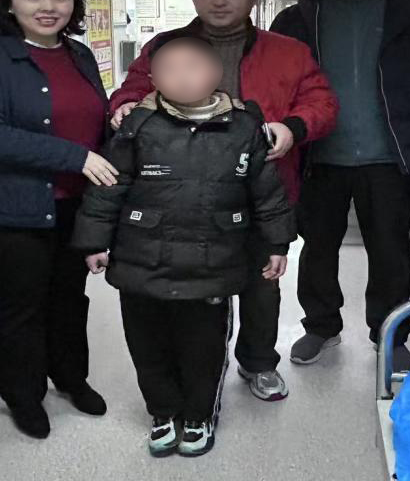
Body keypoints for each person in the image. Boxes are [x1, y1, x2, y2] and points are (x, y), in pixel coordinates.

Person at [110, 0, 338, 401]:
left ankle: (259, 362)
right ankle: (198, 372)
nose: (219, 1)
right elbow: (133, 88)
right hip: (182, 196)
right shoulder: (164, 46)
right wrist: (124, 106)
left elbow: (322, 103)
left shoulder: (287, 52)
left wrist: (293, 127)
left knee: (262, 285)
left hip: (261, 191)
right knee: (193, 292)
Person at [75, 34, 296, 457]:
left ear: (216, 73)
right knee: (148, 346)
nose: (181, 77)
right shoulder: (136, 125)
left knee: (204, 349)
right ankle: (162, 412)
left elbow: (267, 192)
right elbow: (108, 187)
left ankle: (198, 416)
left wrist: (277, 243)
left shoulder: (245, 127)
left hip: (213, 261)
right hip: (140, 259)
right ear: (152, 78)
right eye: (169, 69)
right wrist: (94, 241)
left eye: (192, 67)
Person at [270, 0, 410, 371]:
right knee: (317, 248)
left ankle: (389, 333)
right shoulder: (297, 20)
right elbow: (277, 86)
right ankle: (320, 326)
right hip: (318, 157)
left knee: (390, 250)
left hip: (389, 157)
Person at [0, 0, 114, 439]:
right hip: (12, 208)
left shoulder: (79, 55)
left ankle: (71, 378)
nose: (48, 6)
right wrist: (75, 157)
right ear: (9, 4)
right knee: (21, 304)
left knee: (70, 297)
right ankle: (22, 395)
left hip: (75, 206)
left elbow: (94, 122)